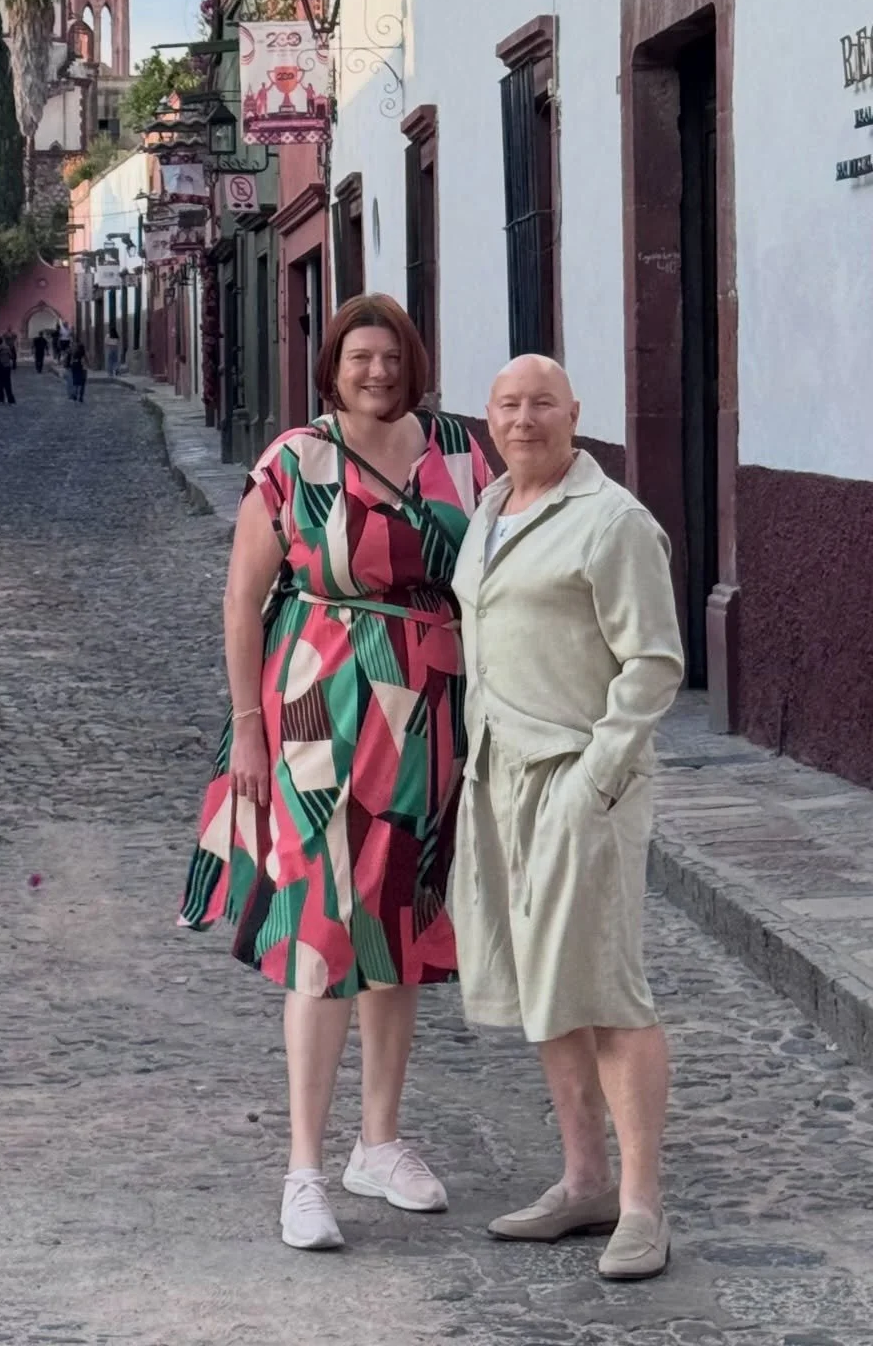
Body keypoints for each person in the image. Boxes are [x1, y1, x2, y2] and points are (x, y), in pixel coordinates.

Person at [181, 294, 490, 1251]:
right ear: (333, 365)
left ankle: (380, 1142)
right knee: (321, 929)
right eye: (361, 357)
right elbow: (242, 603)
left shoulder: (460, 453)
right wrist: (245, 731)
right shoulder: (293, 462)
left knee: (398, 920)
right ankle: (304, 1169)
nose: (378, 372)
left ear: (413, 361)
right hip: (320, 702)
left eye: (391, 356)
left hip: (432, 709)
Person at [450, 354, 684, 1283]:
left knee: (607, 986)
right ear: (489, 417)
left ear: (574, 414)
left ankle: (641, 1207)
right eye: (507, 404)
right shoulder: (491, 512)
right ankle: (583, 1181)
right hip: (498, 774)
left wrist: (597, 778)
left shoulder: (613, 521)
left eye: (541, 403)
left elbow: (654, 663)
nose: (523, 419)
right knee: (543, 980)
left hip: (581, 781)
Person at [0, 334, 17, 405]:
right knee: (8, 383)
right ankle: (11, 399)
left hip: (0, 367)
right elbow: (11, 356)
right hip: (7, 367)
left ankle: (0, 398)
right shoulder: (7, 347)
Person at [66, 337, 88, 403]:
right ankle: (81, 397)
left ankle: (75, 395)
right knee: (82, 384)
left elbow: (71, 363)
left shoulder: (75, 355)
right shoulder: (84, 355)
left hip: (76, 369)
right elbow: (87, 363)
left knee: (76, 383)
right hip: (83, 370)